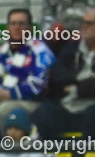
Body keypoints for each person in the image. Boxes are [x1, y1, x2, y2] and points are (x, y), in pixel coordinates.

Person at [0, 7, 55, 125]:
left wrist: (10, 94)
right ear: (7, 28)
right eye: (13, 24)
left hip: (33, 103)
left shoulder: (41, 51)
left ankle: (8, 143)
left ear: (30, 28)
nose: (17, 27)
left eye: (21, 24)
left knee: (4, 109)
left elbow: (39, 85)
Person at [32, 7, 95, 141]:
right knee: (43, 113)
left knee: (92, 114)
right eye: (83, 23)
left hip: (91, 107)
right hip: (70, 106)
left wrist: (75, 88)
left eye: (89, 23)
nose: (84, 27)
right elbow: (55, 74)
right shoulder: (74, 47)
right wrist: (79, 78)